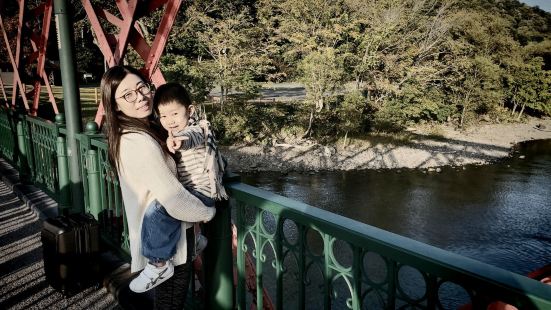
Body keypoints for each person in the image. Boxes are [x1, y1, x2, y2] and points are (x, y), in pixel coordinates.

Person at [101, 65, 215, 308]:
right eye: (127, 95)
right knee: (170, 303)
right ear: (115, 105)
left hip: (163, 237)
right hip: (169, 244)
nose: (140, 97)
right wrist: (207, 212)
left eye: (142, 87)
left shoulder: (137, 130)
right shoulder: (137, 141)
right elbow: (173, 198)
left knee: (166, 301)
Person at [129, 82, 228, 293]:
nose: (169, 120)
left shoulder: (196, 129)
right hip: (195, 191)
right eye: (163, 116)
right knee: (168, 211)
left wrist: (180, 142)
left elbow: (192, 138)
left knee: (158, 210)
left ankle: (158, 264)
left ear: (190, 110)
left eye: (174, 113)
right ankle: (197, 242)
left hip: (201, 193)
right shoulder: (174, 129)